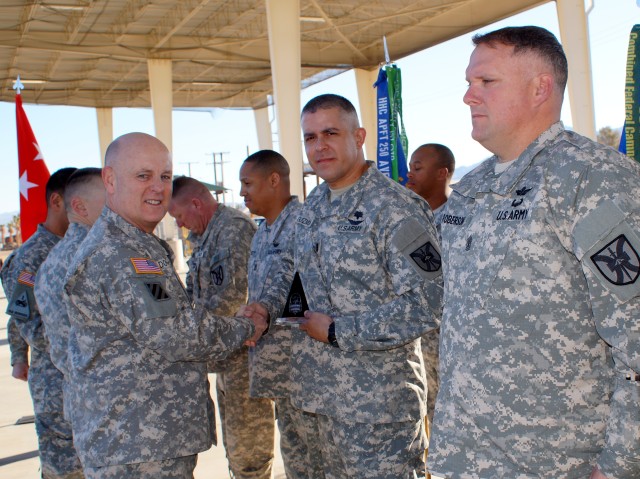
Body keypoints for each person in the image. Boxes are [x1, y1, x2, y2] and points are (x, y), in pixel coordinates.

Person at [429, 26, 640, 479]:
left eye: (486, 82)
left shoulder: (591, 180)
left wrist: (621, 465)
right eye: (468, 83)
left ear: (539, 88)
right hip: (465, 459)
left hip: (556, 465)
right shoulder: (470, 190)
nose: (469, 96)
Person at [248, 94, 443, 478]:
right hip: (317, 402)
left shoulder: (394, 207)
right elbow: (291, 270)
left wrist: (339, 331)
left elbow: (429, 301)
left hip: (375, 411)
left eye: (331, 133)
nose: (319, 146)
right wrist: (265, 308)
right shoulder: (313, 207)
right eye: (310, 138)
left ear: (359, 136)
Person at [62, 132, 266, 479]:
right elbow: (176, 332)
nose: (158, 188)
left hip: (146, 441)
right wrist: (248, 326)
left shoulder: (135, 245)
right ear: (109, 180)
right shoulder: (120, 253)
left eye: (165, 176)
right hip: (137, 448)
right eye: (143, 176)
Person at [168, 175, 274, 479]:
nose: (179, 225)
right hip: (226, 355)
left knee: (248, 450)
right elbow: (194, 293)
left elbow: (231, 300)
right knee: (236, 446)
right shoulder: (204, 234)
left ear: (196, 204)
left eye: (178, 215)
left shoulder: (232, 231)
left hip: (244, 358)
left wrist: (191, 335)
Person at [239, 150, 323, 479]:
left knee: (315, 458)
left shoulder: (303, 225)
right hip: (280, 372)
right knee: (296, 456)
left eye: (248, 183)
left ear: (274, 180)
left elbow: (286, 282)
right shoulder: (262, 231)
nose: (243, 192)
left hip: (303, 369)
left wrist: (262, 312)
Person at [4, 167, 80, 478]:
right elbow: (23, 316)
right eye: (77, 200)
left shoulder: (78, 247)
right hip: (55, 382)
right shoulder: (29, 257)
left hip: (83, 379)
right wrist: (21, 356)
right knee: (65, 468)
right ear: (57, 201)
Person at [35, 168, 105, 436]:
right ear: (79, 206)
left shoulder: (53, 259)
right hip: (112, 407)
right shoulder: (96, 256)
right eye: (109, 200)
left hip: (83, 403)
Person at [406, 143, 455, 427]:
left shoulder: (461, 219)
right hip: (416, 344)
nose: (409, 175)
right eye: (411, 167)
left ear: (441, 173)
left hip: (447, 346)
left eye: (417, 168)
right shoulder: (409, 220)